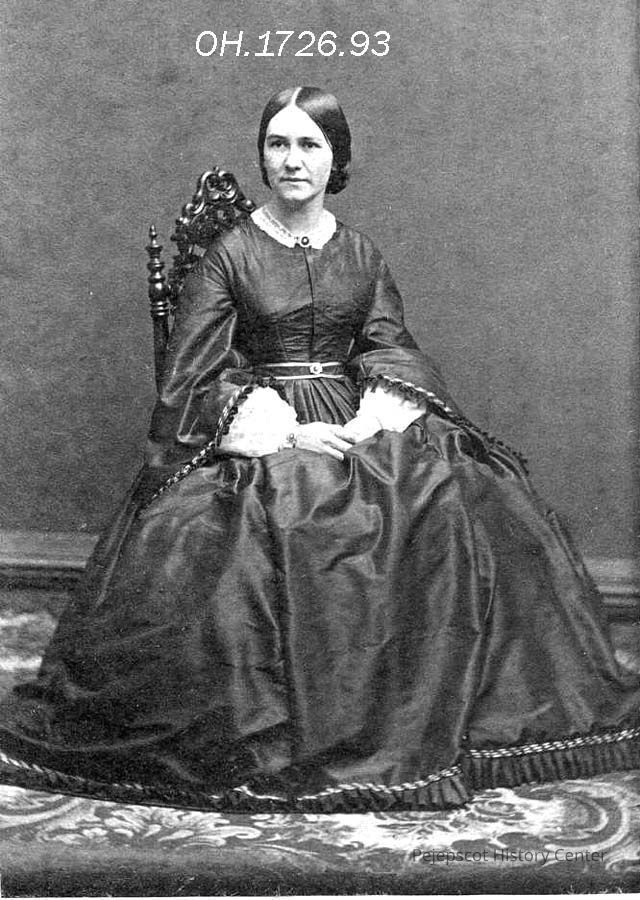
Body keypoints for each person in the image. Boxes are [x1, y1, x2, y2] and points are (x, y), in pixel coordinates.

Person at [0, 86, 638, 813]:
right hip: (266, 421)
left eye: (310, 144)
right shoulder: (230, 255)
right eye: (278, 144)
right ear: (262, 155)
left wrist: (372, 421)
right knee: (289, 511)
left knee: (463, 494)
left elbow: (391, 345)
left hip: (357, 415)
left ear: (337, 158)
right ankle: (319, 727)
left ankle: (436, 710)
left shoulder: (359, 252)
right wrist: (285, 431)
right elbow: (194, 374)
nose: (292, 160)